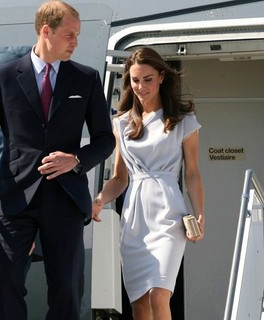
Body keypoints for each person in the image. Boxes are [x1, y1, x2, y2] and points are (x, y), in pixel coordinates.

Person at [0, 1, 115, 319]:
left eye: (78, 35)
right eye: (70, 35)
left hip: (65, 198)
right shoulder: (3, 76)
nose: (75, 43)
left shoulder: (86, 78)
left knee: (66, 286)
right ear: (46, 31)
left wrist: (75, 159)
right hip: (14, 198)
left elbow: (105, 141)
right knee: (9, 282)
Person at [92, 47, 205, 320]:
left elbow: (192, 173)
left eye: (148, 79)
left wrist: (200, 215)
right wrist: (99, 200)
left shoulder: (182, 120)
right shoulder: (120, 124)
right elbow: (120, 178)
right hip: (134, 221)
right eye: (135, 80)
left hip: (169, 217)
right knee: (140, 306)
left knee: (159, 293)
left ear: (162, 77)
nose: (141, 86)